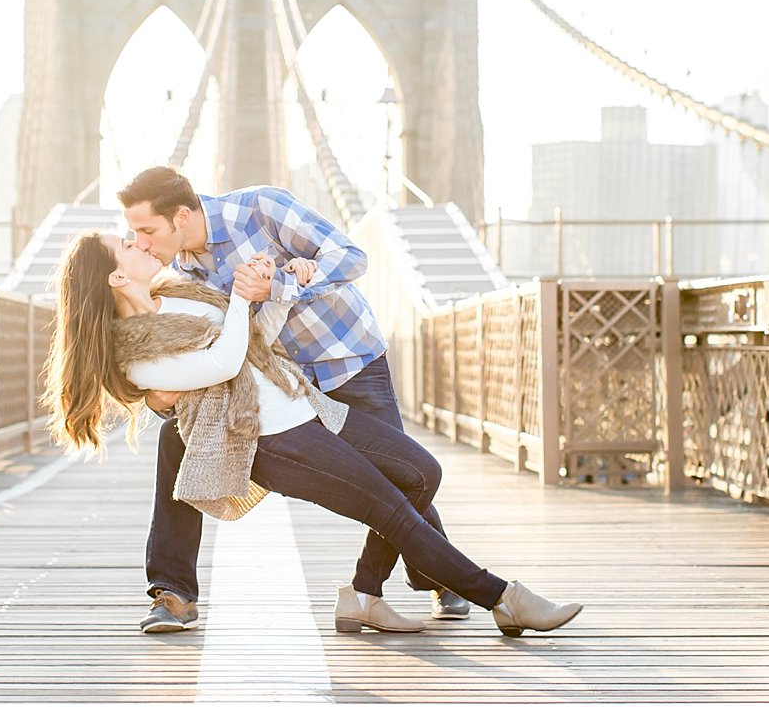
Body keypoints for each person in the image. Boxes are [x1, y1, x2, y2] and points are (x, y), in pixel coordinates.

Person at [40, 230, 584, 640]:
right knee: (391, 509)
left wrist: (278, 283)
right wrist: (239, 298)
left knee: (422, 474)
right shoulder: (136, 360)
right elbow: (225, 361)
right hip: (271, 439)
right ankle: (504, 598)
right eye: (127, 246)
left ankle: (364, 594)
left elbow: (254, 340)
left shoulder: (178, 295)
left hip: (308, 405)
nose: (139, 244)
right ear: (116, 277)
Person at [117, 166, 469, 634]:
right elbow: (190, 348)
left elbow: (351, 257)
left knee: (401, 471)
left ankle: (437, 574)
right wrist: (161, 398)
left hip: (348, 358)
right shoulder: (179, 272)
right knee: (174, 439)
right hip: (283, 383)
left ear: (181, 216)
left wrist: (284, 283)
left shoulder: (261, 208)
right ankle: (174, 592)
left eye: (146, 230)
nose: (138, 242)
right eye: (132, 234)